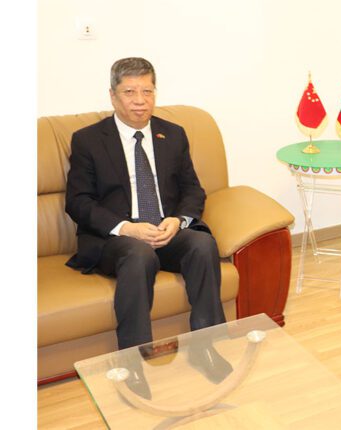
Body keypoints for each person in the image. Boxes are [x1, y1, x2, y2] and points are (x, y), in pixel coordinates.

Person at [65, 57, 231, 398]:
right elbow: (78, 202)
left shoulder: (173, 134)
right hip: (118, 239)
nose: (140, 101)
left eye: (147, 91)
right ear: (113, 96)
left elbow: (192, 190)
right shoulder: (88, 140)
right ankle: (132, 363)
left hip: (165, 230)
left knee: (202, 244)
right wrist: (125, 227)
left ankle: (205, 346)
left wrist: (178, 220)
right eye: (130, 92)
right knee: (139, 255)